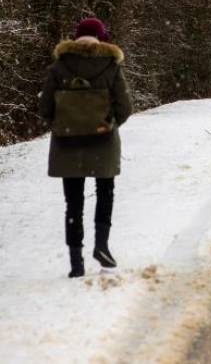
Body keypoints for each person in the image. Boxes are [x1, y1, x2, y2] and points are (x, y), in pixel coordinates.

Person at [39, 17, 132, 278]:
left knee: (73, 202)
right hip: (103, 140)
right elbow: (125, 107)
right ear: (101, 38)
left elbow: (44, 108)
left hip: (67, 143)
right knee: (105, 192)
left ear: (75, 38)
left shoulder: (59, 66)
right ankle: (101, 246)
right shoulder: (111, 65)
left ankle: (75, 261)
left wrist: (64, 124)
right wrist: (107, 124)